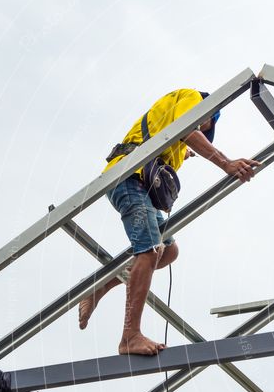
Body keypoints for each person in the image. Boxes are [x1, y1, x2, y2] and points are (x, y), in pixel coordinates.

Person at [78, 88, 261, 355]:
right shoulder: (195, 99)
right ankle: (129, 336)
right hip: (129, 178)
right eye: (204, 125)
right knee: (150, 251)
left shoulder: (172, 127)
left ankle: (101, 287)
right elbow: (186, 128)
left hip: (140, 187)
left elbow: (173, 133)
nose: (202, 128)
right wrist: (226, 163)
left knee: (168, 252)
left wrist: (183, 153)